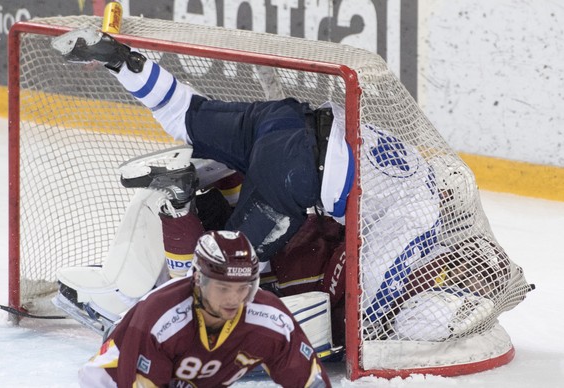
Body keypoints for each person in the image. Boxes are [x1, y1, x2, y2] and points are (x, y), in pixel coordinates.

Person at [51, 27, 355, 274]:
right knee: (230, 269)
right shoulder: (396, 206)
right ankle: (181, 209)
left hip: (286, 120)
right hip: (296, 170)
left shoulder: (392, 149)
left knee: (184, 111)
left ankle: (118, 60)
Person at [78, 230, 331, 387]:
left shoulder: (271, 319)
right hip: (113, 378)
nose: (234, 299)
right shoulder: (160, 319)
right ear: (198, 280)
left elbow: (311, 381)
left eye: (243, 287)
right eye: (223, 288)